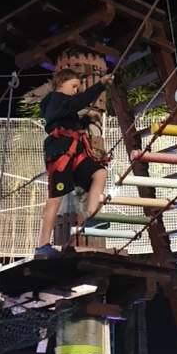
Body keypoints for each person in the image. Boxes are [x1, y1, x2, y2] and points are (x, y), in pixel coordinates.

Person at [35, 68, 114, 258]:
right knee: (55, 199)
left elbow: (74, 108)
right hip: (60, 152)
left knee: (99, 173)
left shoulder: (64, 107)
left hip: (75, 152)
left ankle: (91, 216)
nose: (76, 90)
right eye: (74, 86)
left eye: (77, 87)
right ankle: (42, 244)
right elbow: (77, 102)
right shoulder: (54, 100)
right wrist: (100, 85)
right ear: (60, 83)